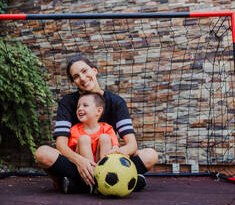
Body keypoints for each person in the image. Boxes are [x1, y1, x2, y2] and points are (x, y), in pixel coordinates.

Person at [35, 56, 158, 193]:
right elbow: (61, 145)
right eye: (76, 76)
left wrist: (116, 153)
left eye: (84, 71)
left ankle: (78, 185)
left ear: (94, 70)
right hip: (78, 162)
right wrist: (80, 161)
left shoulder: (116, 102)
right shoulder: (67, 103)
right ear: (74, 82)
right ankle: (122, 180)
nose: (82, 78)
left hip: (107, 159)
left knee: (150, 155)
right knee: (42, 153)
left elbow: (132, 145)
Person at [69, 92, 119, 163]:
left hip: (101, 163)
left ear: (98, 111)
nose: (80, 108)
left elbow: (115, 147)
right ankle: (90, 172)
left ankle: (104, 170)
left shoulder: (107, 128)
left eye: (85, 105)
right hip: (82, 166)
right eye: (78, 106)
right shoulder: (74, 130)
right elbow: (70, 155)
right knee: (84, 139)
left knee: (105, 138)